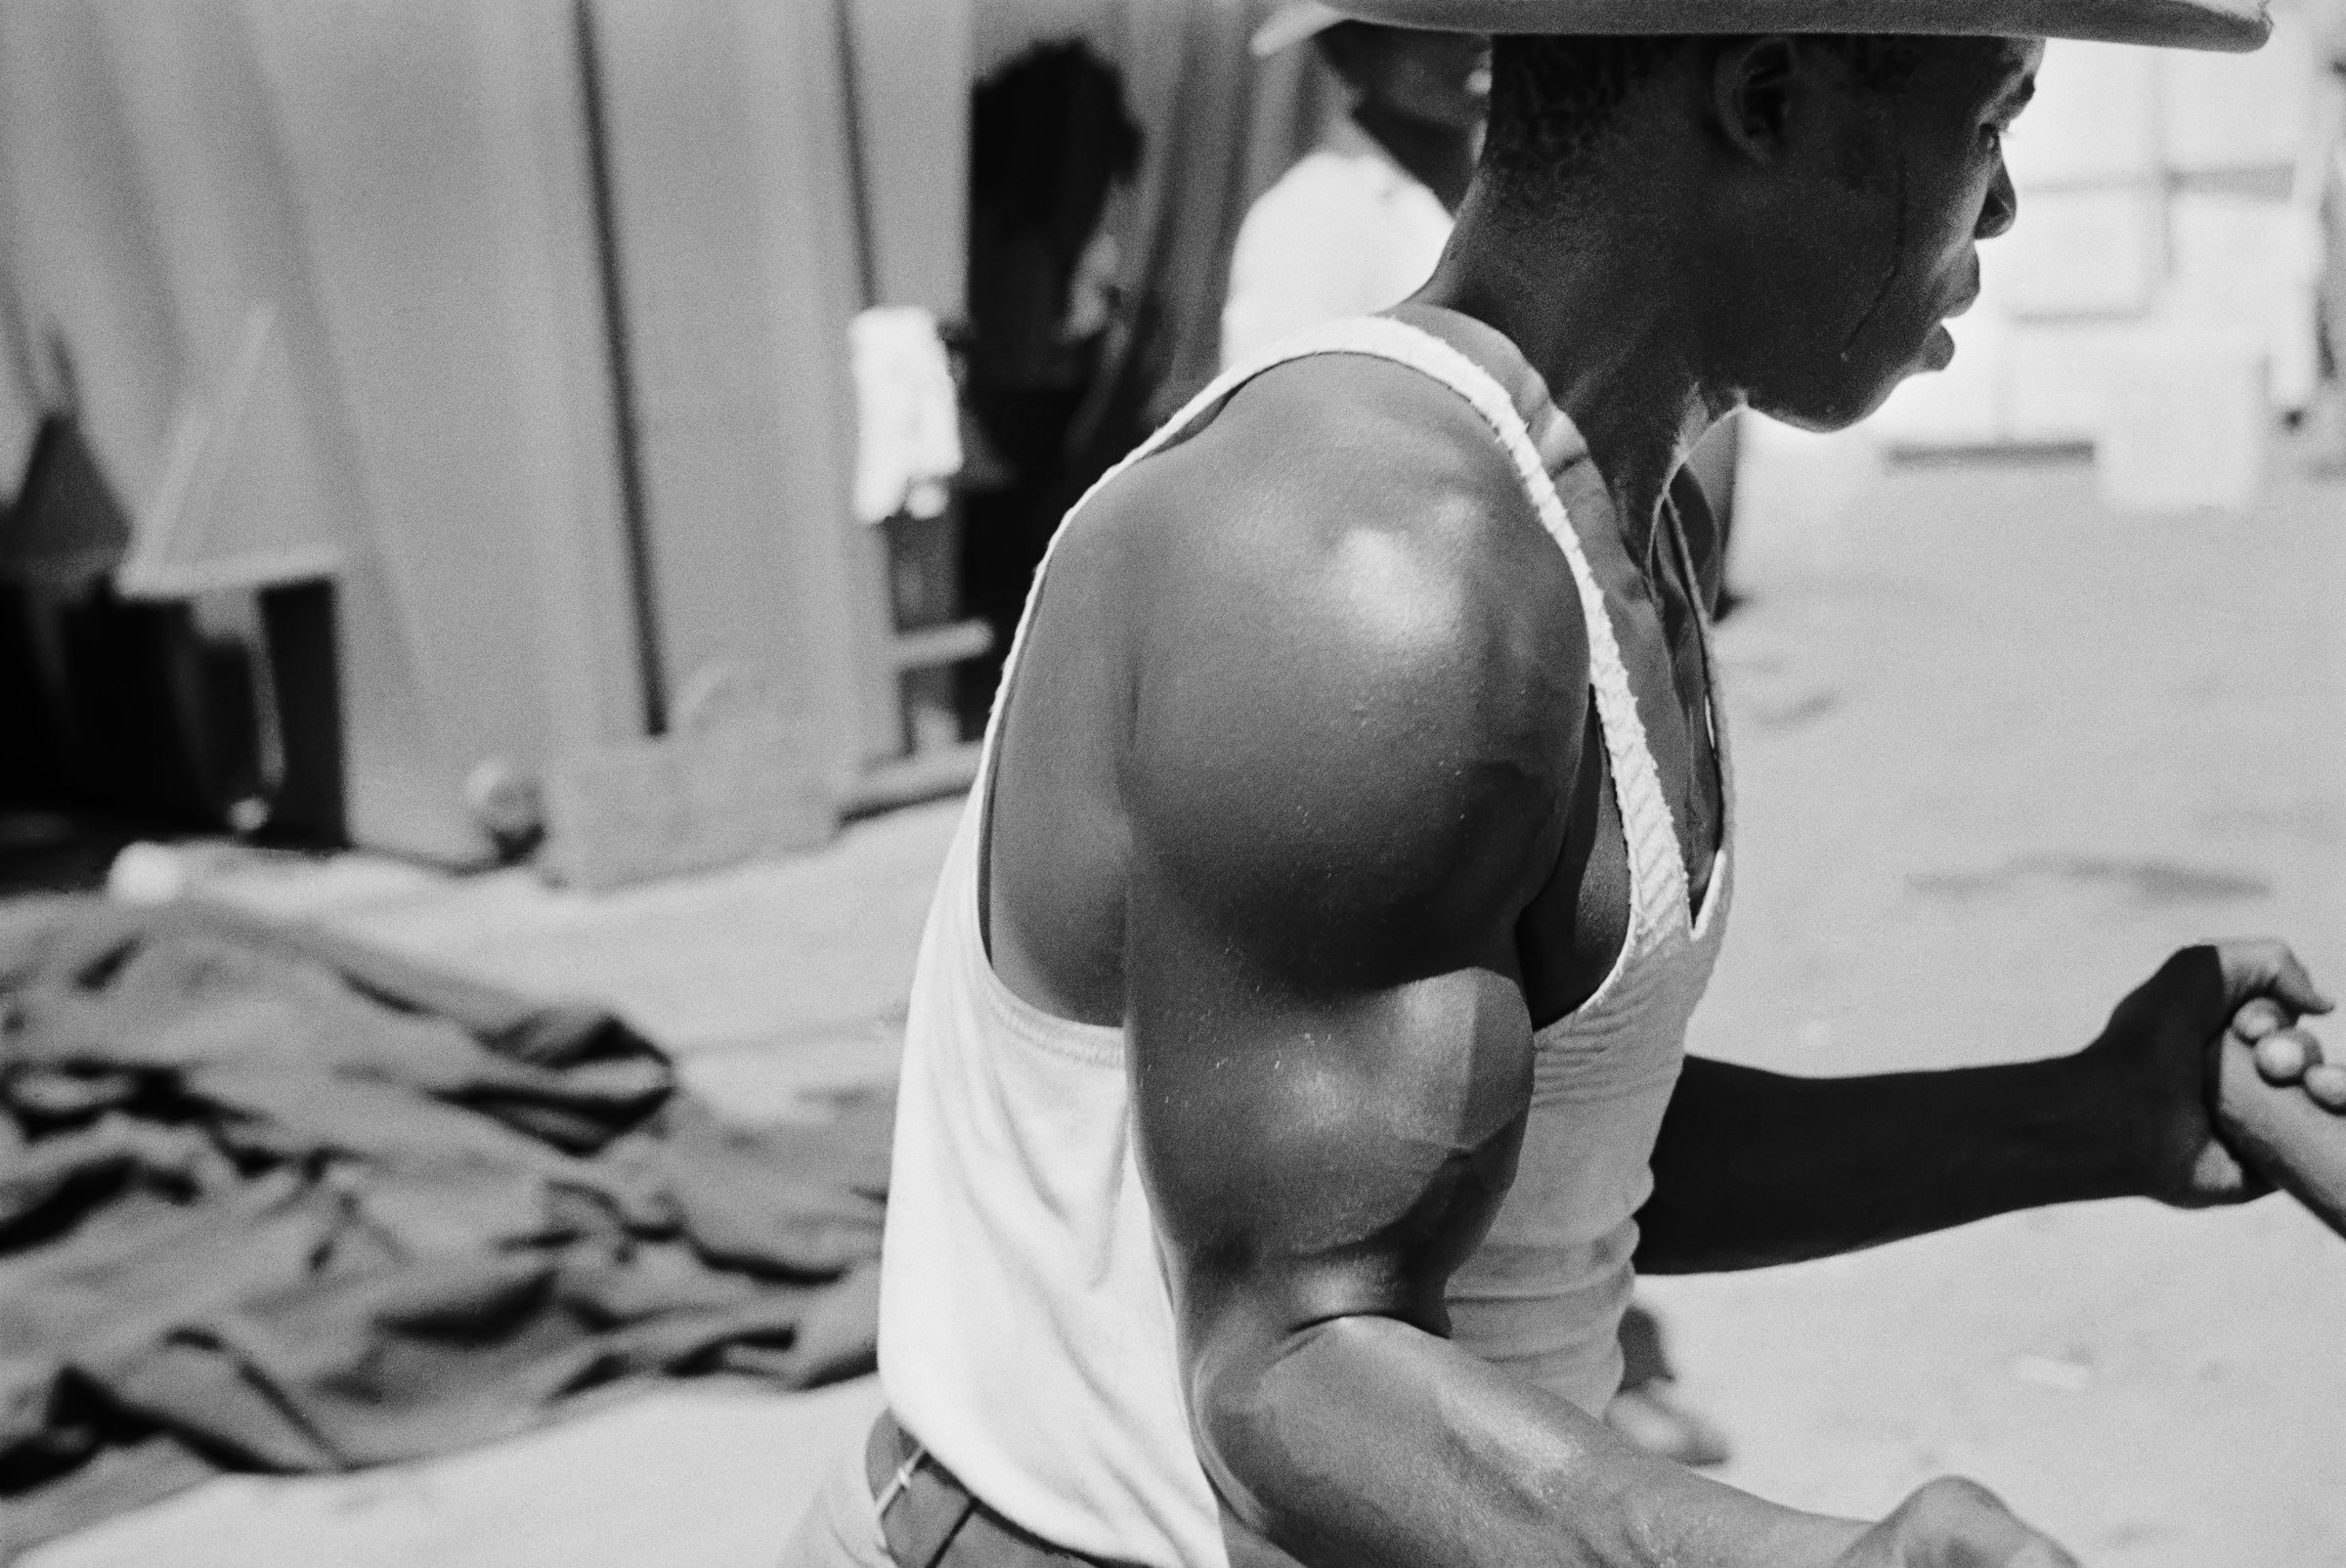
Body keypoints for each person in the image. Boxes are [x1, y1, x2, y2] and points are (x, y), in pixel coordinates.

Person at [786, 4, 2343, 1566]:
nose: (1999, 201)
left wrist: (2093, 1115)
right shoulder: (1375, 581)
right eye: (1992, 116)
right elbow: (1291, 1372)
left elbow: (1543, 1167)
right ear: (1770, 94)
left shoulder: (1614, 517)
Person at [1225, 7, 1734, 1470]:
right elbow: (1310, 475)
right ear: (1347, 59)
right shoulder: (1319, 230)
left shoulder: (1622, 493)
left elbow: (1576, 1143)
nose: (1464, 48)